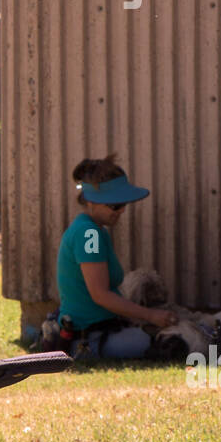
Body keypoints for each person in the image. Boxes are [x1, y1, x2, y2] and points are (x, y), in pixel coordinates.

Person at [54, 154, 174, 359]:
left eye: (123, 204)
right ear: (91, 202)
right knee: (163, 342)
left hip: (104, 328)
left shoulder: (93, 230)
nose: (121, 211)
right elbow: (100, 294)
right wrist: (151, 316)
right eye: (114, 205)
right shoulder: (88, 233)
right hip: (90, 337)